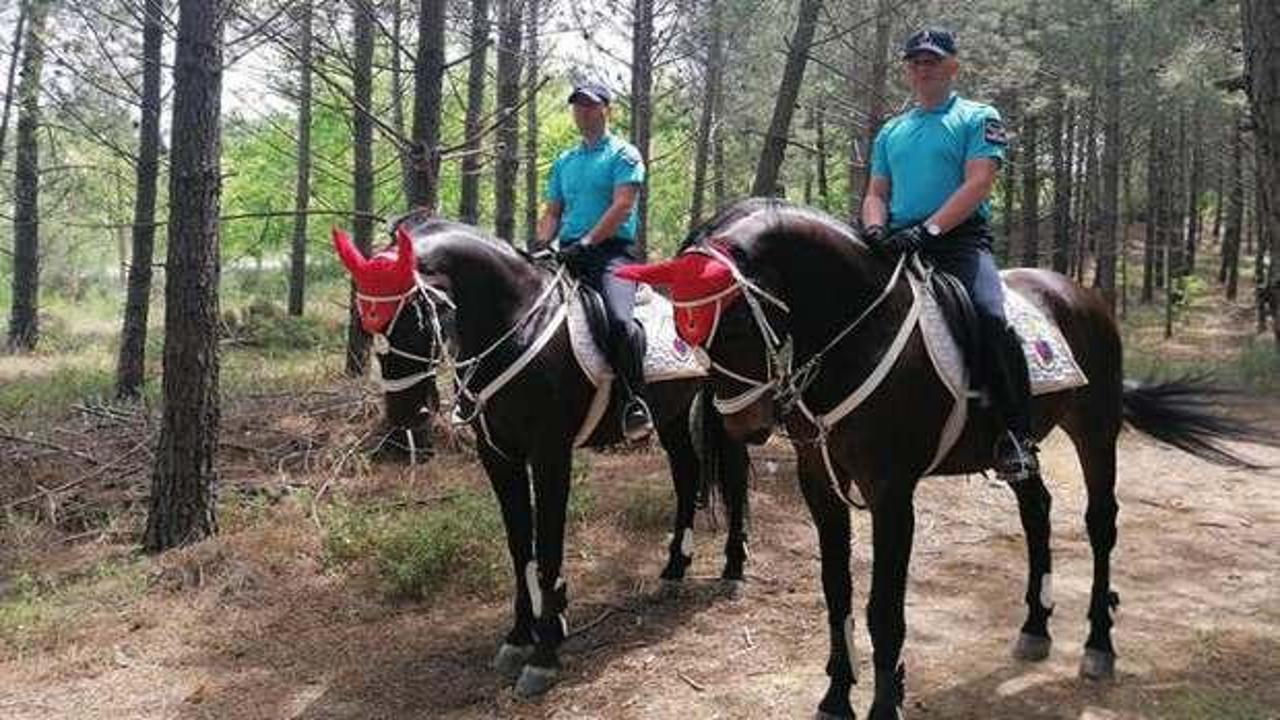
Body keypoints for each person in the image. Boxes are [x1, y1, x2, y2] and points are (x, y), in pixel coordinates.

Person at [860, 28, 1038, 482]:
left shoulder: (978, 117)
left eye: (932, 61)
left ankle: (1015, 434)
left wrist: (928, 230)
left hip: (958, 242)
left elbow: (979, 182)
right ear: (908, 70)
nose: (923, 68)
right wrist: (875, 229)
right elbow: (877, 192)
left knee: (989, 316)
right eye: (916, 61)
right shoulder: (891, 131)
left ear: (952, 66)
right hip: (898, 242)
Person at [536, 82, 653, 441]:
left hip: (611, 253)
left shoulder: (624, 155)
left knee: (619, 321)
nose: (583, 112)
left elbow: (623, 206)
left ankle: (633, 401)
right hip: (568, 252)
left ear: (607, 110)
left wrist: (588, 242)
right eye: (578, 106)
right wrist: (541, 243)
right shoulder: (564, 161)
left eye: (591, 105)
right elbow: (553, 211)